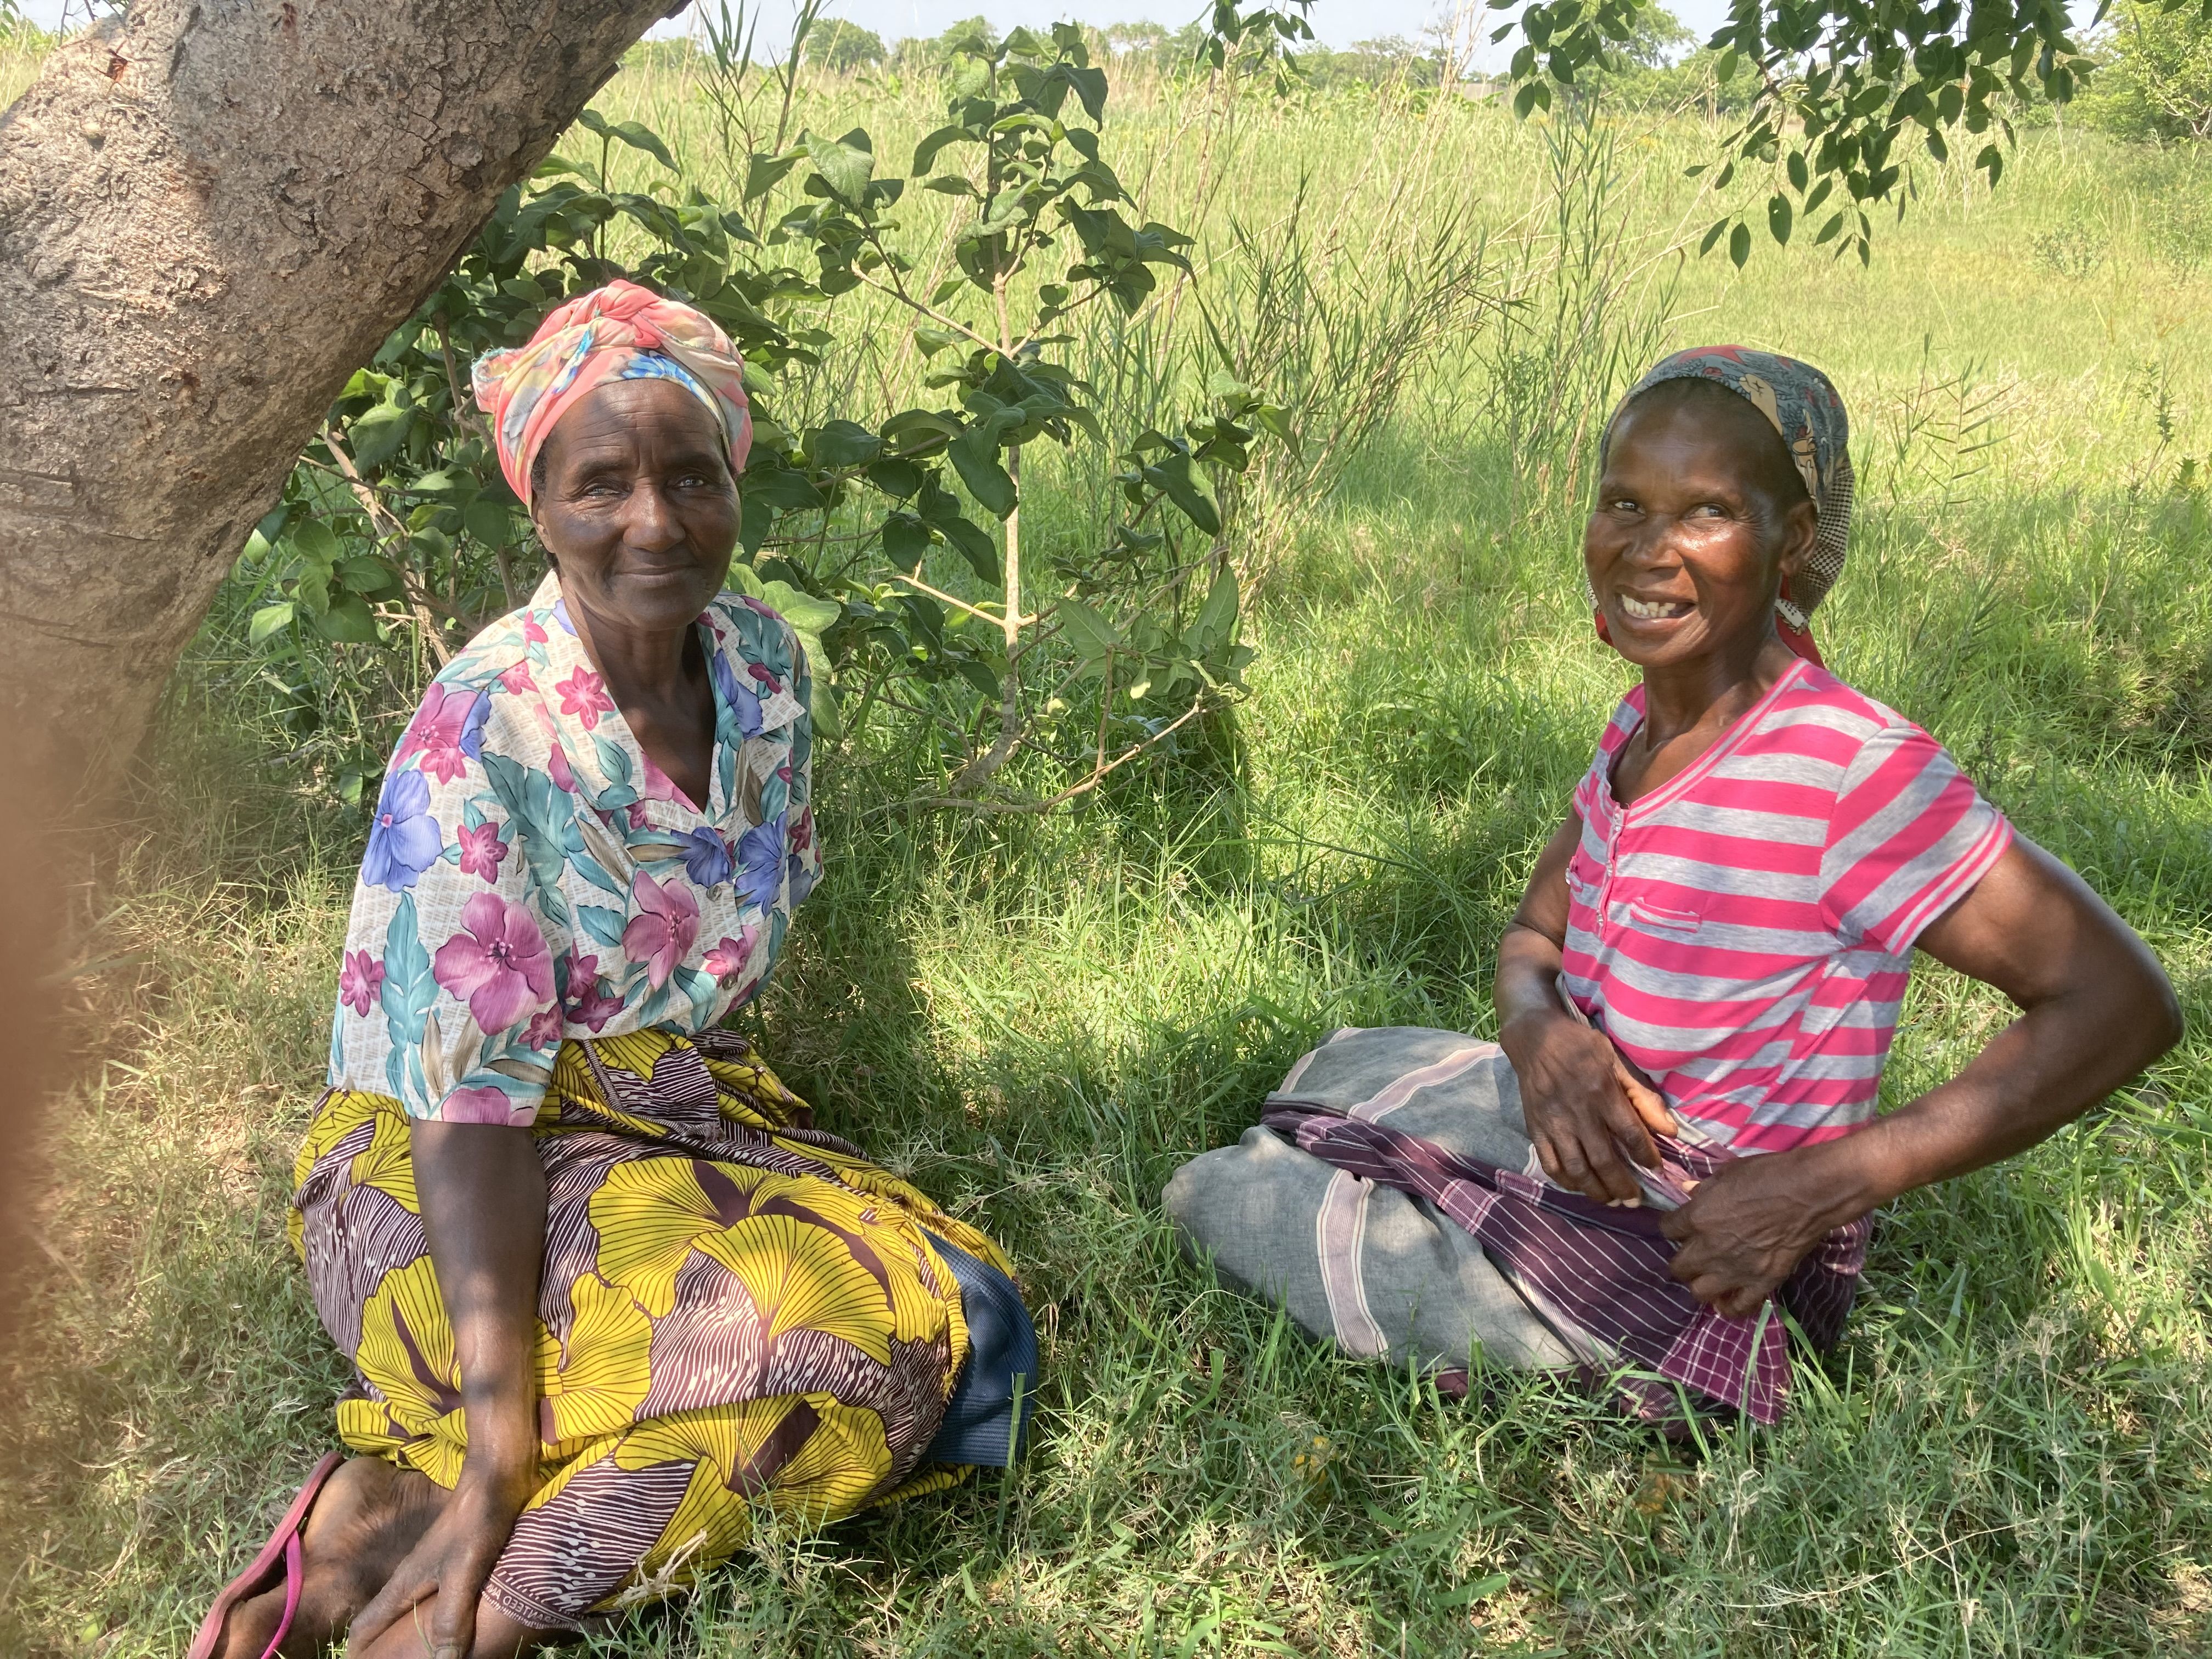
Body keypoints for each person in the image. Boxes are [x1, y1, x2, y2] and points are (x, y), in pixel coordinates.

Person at [192, 281, 1034, 1659]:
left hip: (656, 1121)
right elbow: (469, 1113)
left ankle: (397, 1507)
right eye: (602, 485)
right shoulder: (488, 724)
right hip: (434, 1175)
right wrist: (501, 1438)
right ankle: (485, 1597)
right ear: (540, 504)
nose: (655, 521)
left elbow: (731, 960)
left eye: (690, 475)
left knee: (966, 1313)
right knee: (867, 1346)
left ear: (734, 481)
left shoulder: (762, 668)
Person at [1163, 346, 2180, 1423]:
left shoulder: (1851, 772)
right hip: (1602, 1142)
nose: (1649, 550)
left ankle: (1646, 1336)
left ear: (1791, 542)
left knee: (1219, 1197)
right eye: (1623, 503)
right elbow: (1534, 939)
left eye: (1706, 512)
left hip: (1707, 1249)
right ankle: (1452, 1189)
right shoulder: (1642, 726)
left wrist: (1819, 1186)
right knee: (1346, 1065)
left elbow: (2121, 1004)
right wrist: (1539, 1037)